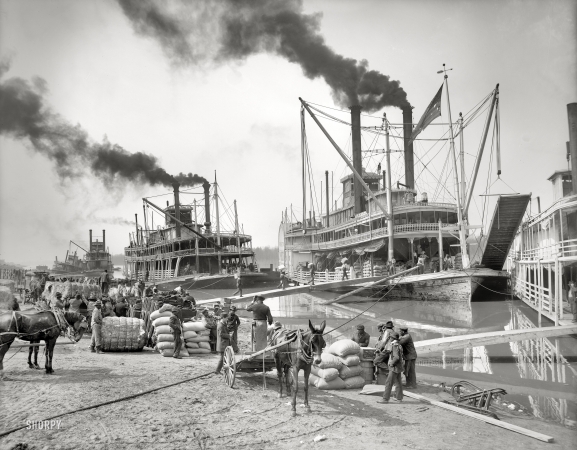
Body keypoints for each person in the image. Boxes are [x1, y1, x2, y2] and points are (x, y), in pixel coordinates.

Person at [377, 332, 404, 404]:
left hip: (394, 367)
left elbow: (396, 357)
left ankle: (385, 399)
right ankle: (399, 398)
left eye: (391, 338)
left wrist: (391, 364)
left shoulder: (394, 346)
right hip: (398, 367)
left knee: (388, 383)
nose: (390, 339)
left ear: (393, 338)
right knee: (398, 383)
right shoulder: (398, 345)